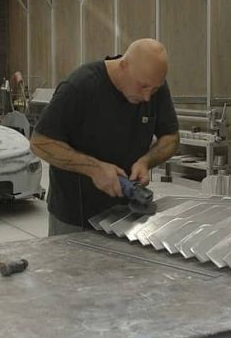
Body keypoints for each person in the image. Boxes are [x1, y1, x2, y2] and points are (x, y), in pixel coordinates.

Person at [30, 38, 180, 236]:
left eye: (154, 89)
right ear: (124, 65)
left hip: (128, 214)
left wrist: (146, 161)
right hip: (76, 218)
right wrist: (95, 169)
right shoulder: (80, 86)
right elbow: (40, 142)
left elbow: (171, 137)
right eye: (142, 87)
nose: (147, 97)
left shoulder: (152, 84)